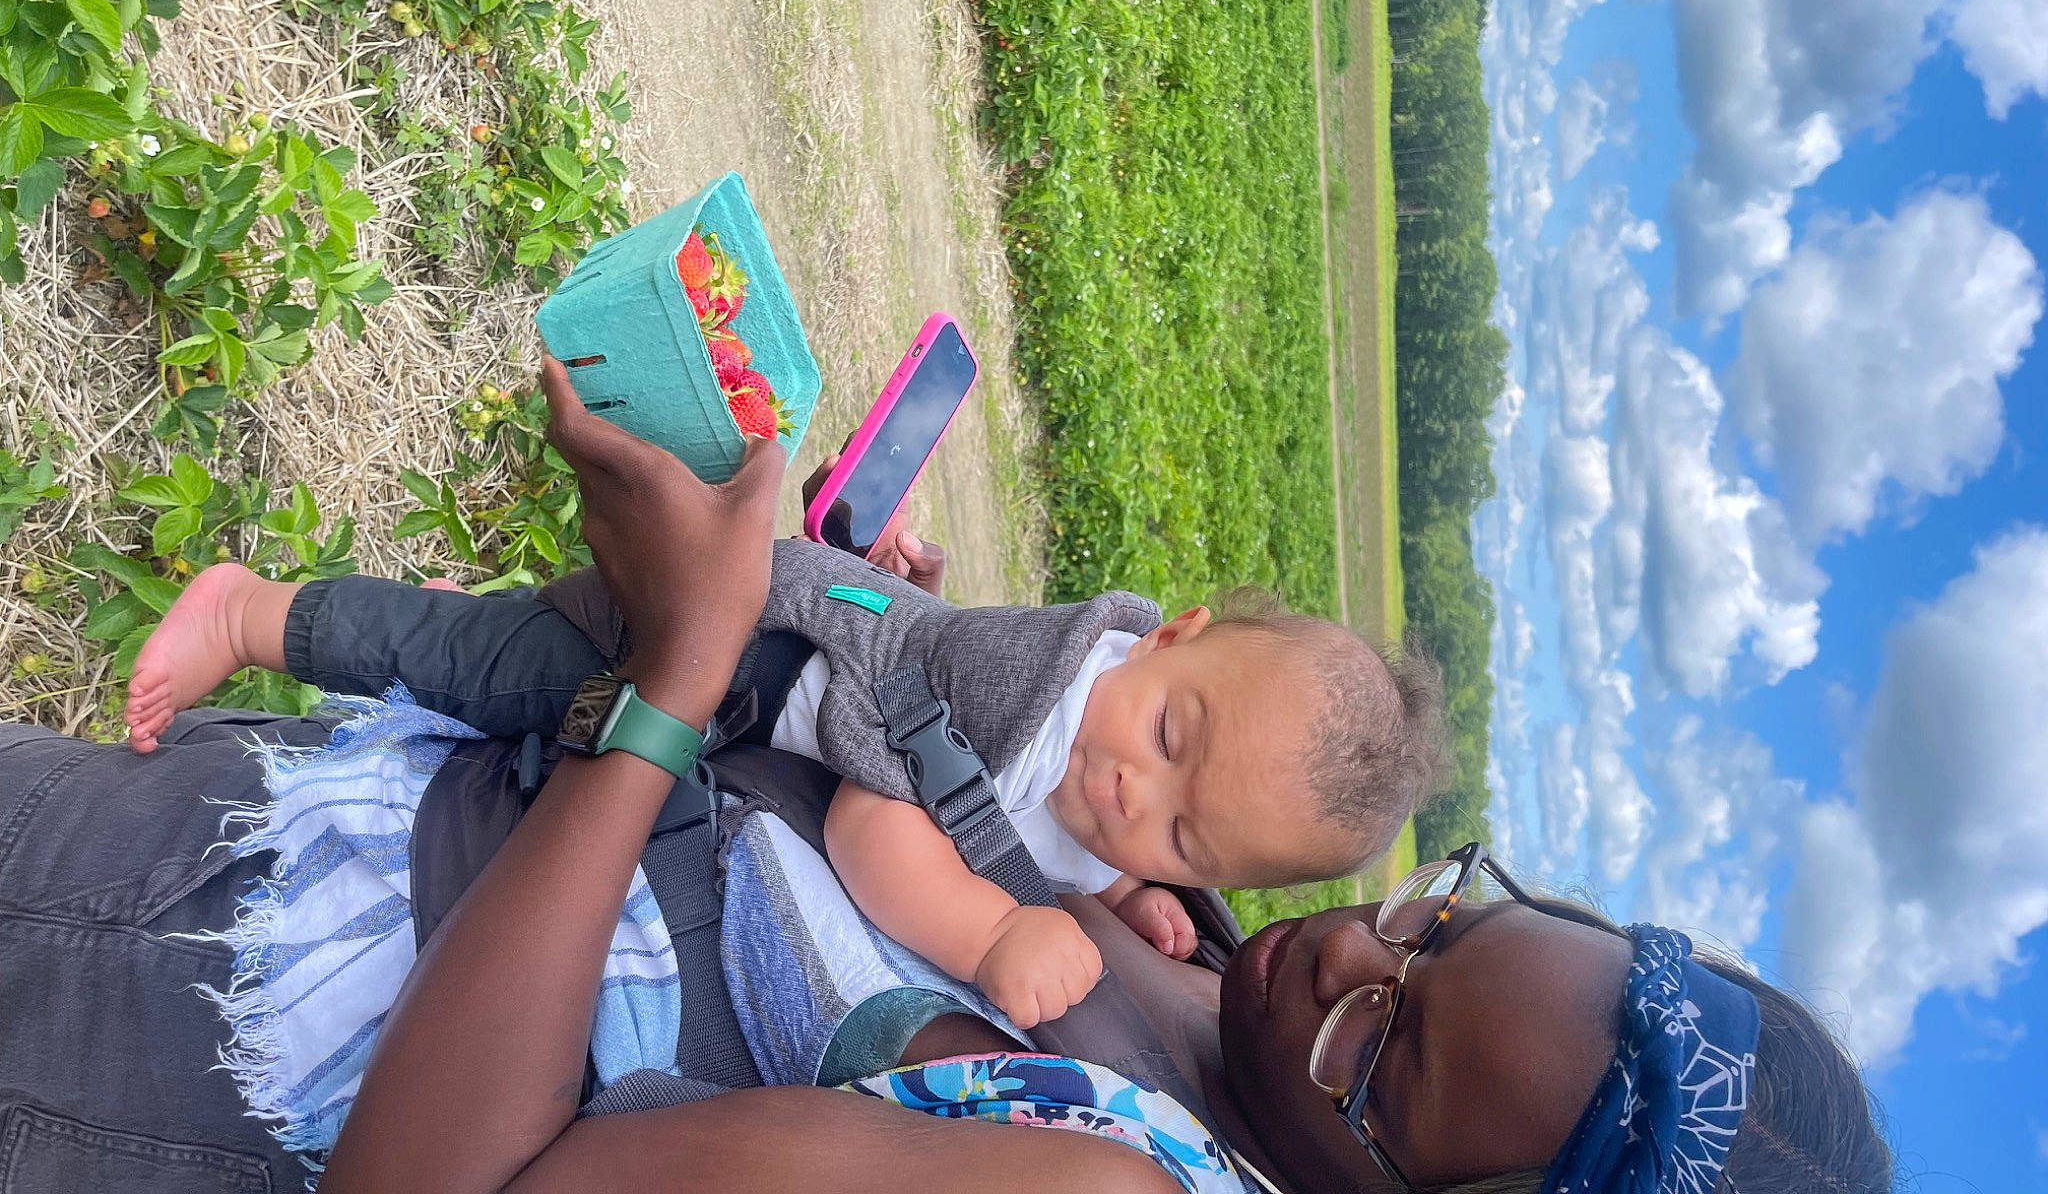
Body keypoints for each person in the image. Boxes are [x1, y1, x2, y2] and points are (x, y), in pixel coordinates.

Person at [0, 362, 1896, 1193]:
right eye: (1434, 925)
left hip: (200, 1071)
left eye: (1381, 1060)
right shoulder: (1198, 933)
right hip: (303, 848)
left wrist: (673, 678)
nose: (1338, 967)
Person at [122, 487, 1443, 1034]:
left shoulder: (1109, 765)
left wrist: (1114, 894)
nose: (1125, 795)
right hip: (737, 640)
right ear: (1179, 632)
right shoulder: (1051, 696)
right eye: (1168, 740)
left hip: (748, 706)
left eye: (1187, 838)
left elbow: (1037, 821)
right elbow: (885, 826)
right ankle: (253, 612)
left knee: (509, 688)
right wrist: (989, 935)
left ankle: (458, 622)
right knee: (500, 671)